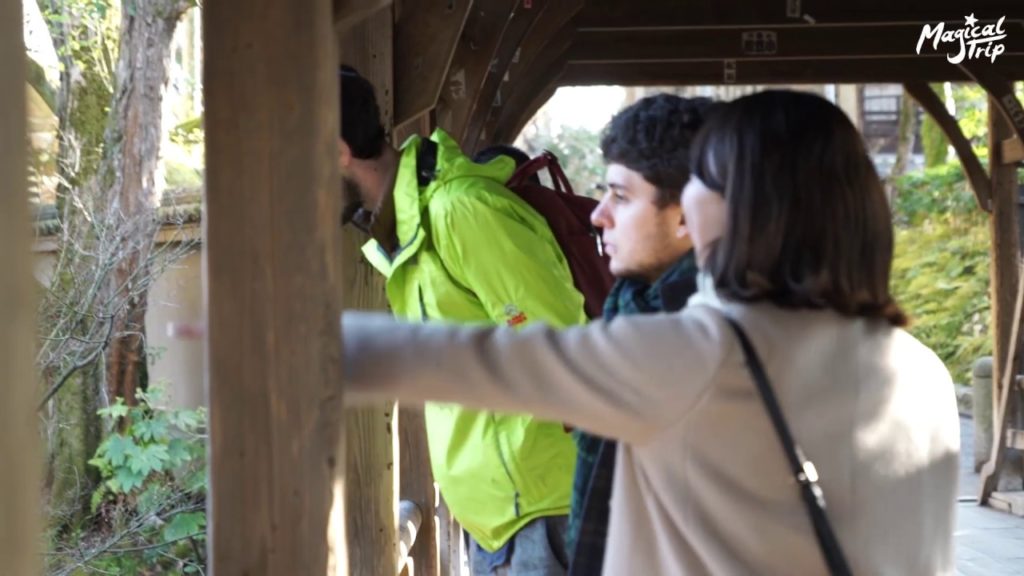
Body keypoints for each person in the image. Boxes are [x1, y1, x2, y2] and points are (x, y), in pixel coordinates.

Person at [341, 90, 960, 575]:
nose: (602, 214)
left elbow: (457, 360)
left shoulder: (702, 354)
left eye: (702, 185)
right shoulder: (923, 368)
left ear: (739, 206)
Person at [338, 65, 583, 575]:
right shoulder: (407, 231)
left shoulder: (460, 210)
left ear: (334, 152)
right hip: (495, 513)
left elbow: (561, 344)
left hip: (539, 510)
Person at [569, 94, 715, 574]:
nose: (598, 215)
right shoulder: (631, 310)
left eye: (622, 196)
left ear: (686, 216)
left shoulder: (717, 344)